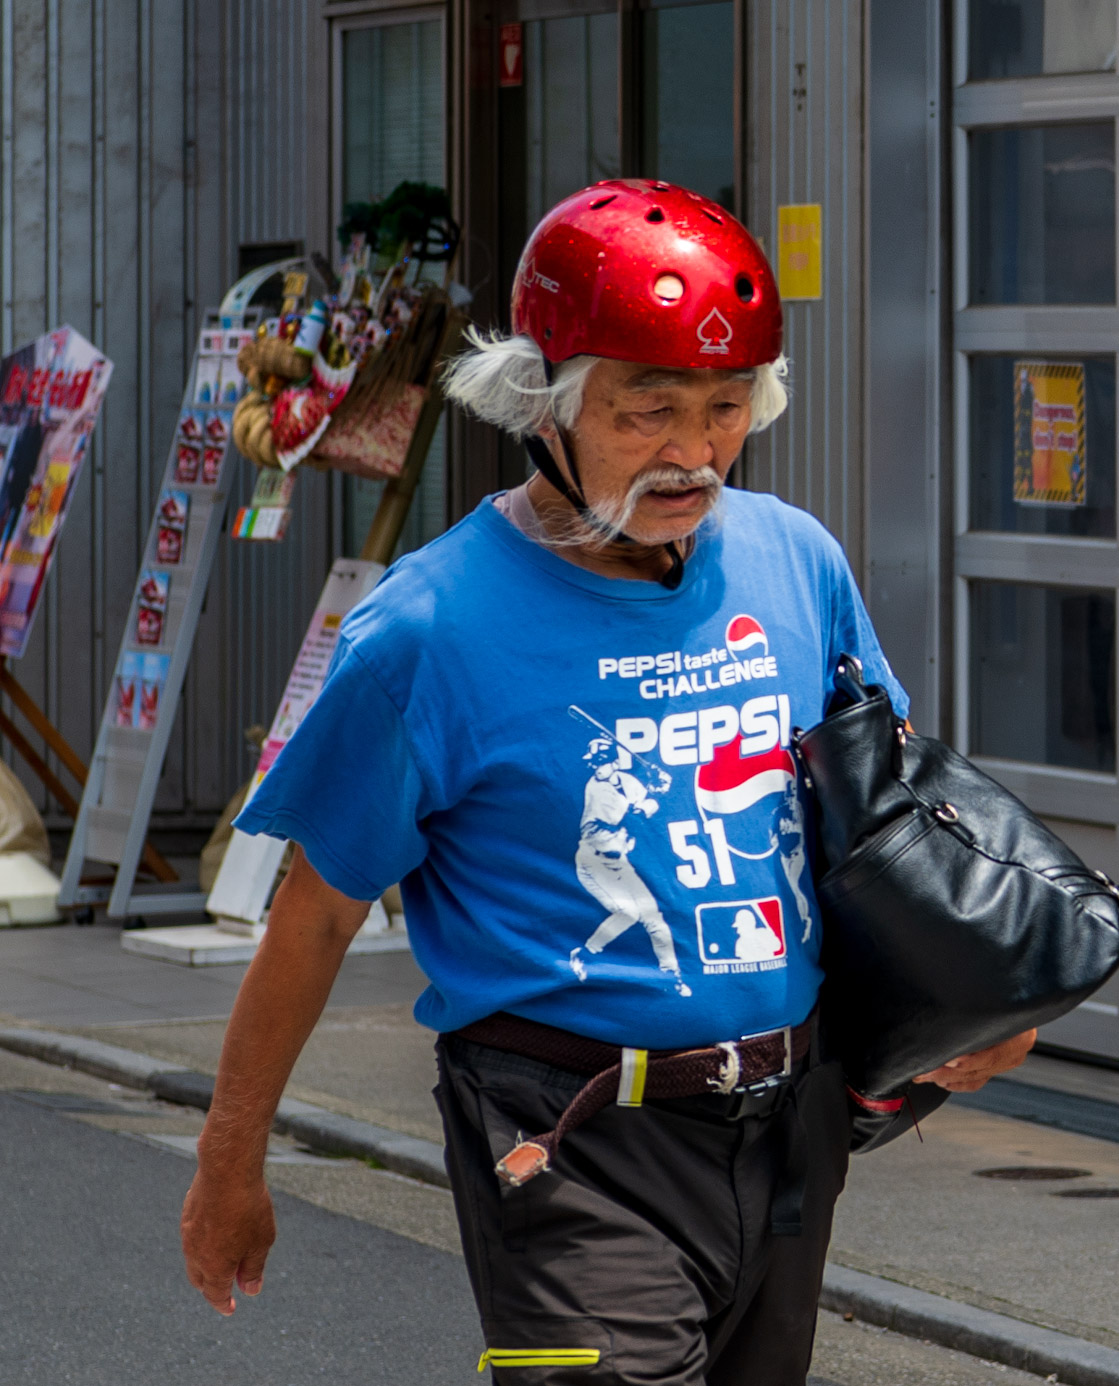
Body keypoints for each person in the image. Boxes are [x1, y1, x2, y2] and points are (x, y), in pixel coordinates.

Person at [179, 179, 1036, 1385]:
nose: (694, 453)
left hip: (789, 1130)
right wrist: (230, 1158)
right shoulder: (426, 629)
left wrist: (973, 998)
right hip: (566, 1139)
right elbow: (313, 914)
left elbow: (880, 821)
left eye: (727, 406)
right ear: (545, 405)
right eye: (648, 413)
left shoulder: (796, 561)